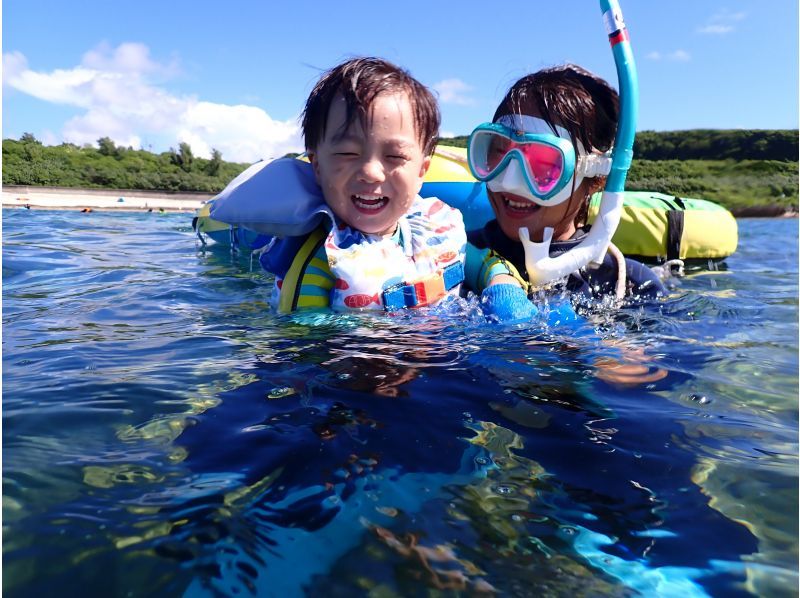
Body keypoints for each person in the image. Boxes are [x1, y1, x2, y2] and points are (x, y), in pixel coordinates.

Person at [258, 57, 466, 313]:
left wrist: (500, 280)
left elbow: (477, 260)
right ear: (317, 166)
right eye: (347, 153)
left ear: (421, 171)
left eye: (395, 156)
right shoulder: (320, 260)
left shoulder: (434, 223)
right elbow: (303, 333)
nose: (371, 173)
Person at [464, 64, 665, 322]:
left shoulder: (630, 285)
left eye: (543, 163)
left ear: (597, 176)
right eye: (499, 153)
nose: (510, 181)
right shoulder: (451, 253)